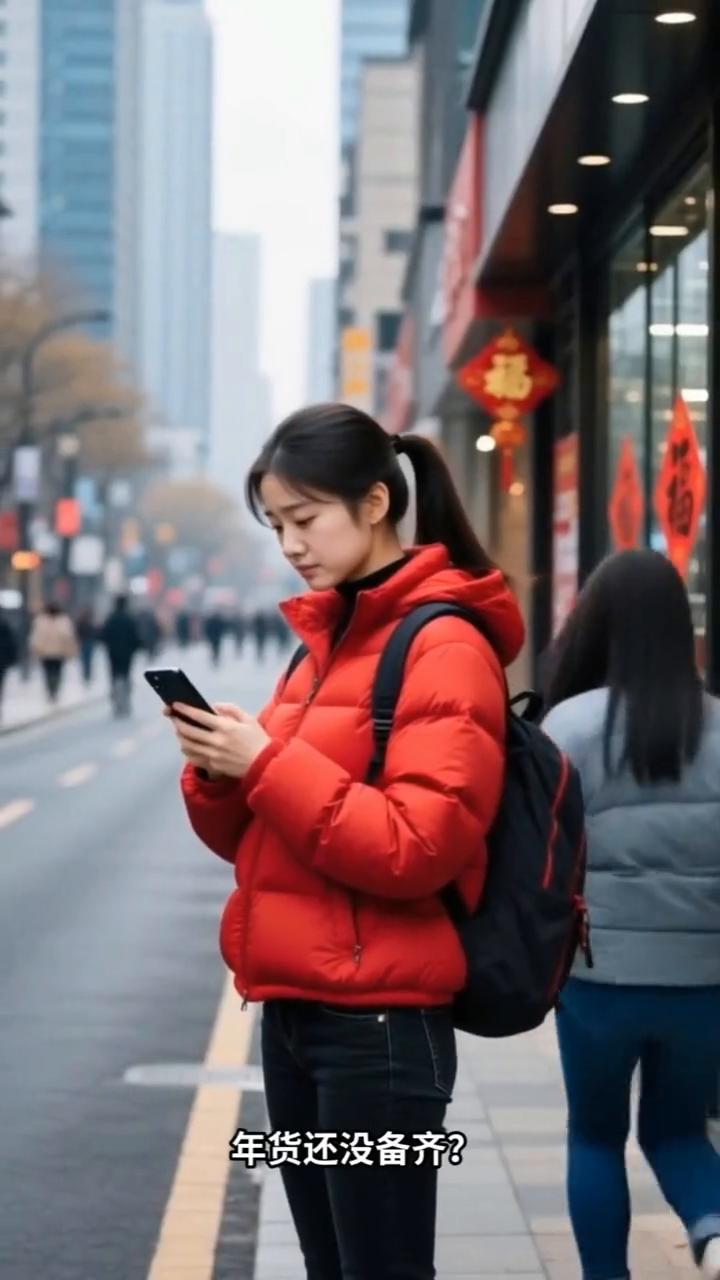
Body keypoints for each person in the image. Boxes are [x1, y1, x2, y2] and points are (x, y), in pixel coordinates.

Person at [169, 404, 525, 1279]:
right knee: (331, 1266)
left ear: (374, 503)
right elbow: (263, 843)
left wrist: (268, 763)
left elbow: (417, 848)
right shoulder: (324, 642)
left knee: (383, 1268)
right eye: (277, 525)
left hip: (381, 1032)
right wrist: (224, 770)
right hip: (295, 1017)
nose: (290, 544)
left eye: (305, 518)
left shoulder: (443, 645)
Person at [542, 549, 720, 1280]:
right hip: (704, 977)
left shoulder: (569, 727)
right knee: (679, 1132)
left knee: (595, 1136)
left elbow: (542, 858)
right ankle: (714, 1232)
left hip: (597, 976)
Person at [100, 595, 142, 718]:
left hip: (113, 653)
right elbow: (135, 636)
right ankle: (125, 702)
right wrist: (135, 647)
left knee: (114, 676)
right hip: (127, 653)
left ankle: (116, 702)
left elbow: (103, 635)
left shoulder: (110, 618)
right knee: (126, 675)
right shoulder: (129, 619)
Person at [29, 602, 78, 704]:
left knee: (51, 673)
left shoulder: (41, 620)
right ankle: (53, 690)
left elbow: (36, 637)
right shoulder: (63, 621)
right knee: (54, 672)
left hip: (50, 652)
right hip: (55, 652)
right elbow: (68, 637)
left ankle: (52, 690)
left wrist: (36, 649)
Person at [0, 607, 18, 720]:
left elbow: (12, 644)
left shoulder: (4, 626)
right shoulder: (5, 625)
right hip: (2, 661)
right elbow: (12, 644)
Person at [75, 606, 99, 686]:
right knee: (86, 659)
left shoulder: (84, 622)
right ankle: (87, 673)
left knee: (86, 659)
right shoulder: (87, 622)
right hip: (87, 641)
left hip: (87, 641)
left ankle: (87, 673)